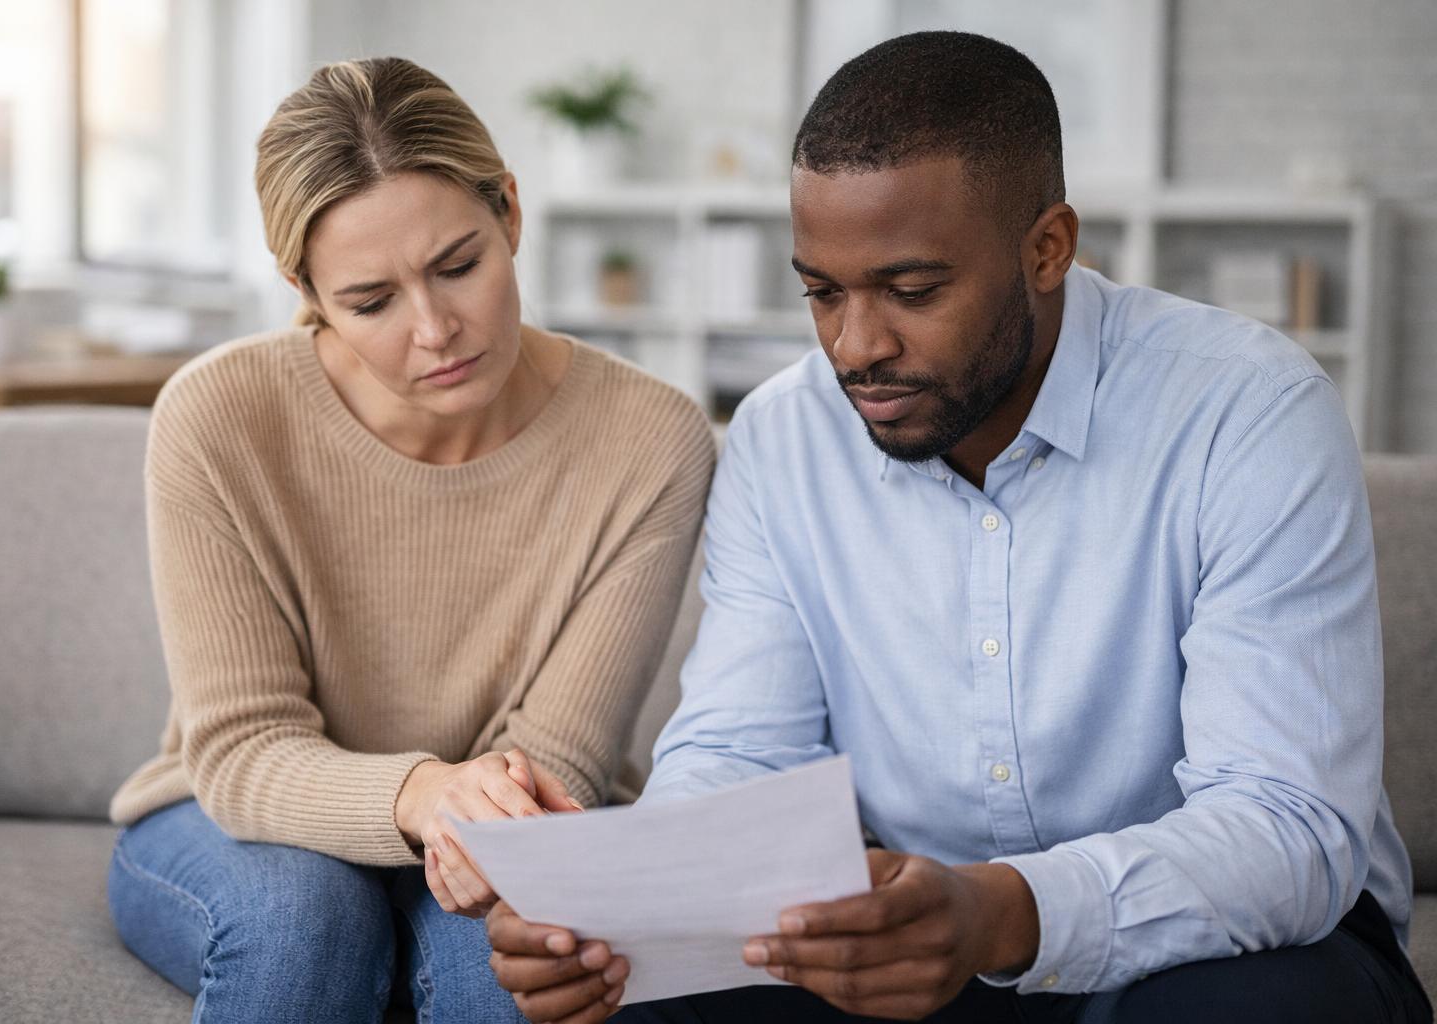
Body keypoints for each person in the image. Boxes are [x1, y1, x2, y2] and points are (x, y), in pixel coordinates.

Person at [485, 31, 1432, 1024]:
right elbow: (738, 754)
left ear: (1047, 248)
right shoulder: (781, 436)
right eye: (822, 292)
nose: (857, 346)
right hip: (918, 942)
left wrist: (1003, 911)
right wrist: (619, 915)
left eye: (912, 291)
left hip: (1214, 947)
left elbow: (1286, 831)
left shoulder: (1249, 411)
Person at [104, 57, 715, 1024]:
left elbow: (557, 764)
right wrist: (421, 794)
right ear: (303, 287)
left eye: (459, 265)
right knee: (309, 920)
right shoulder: (218, 417)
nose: (435, 330)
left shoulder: (651, 439)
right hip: (239, 822)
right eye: (371, 302)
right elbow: (243, 751)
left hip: (518, 827)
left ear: (510, 212)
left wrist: (459, 815)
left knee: (501, 964)